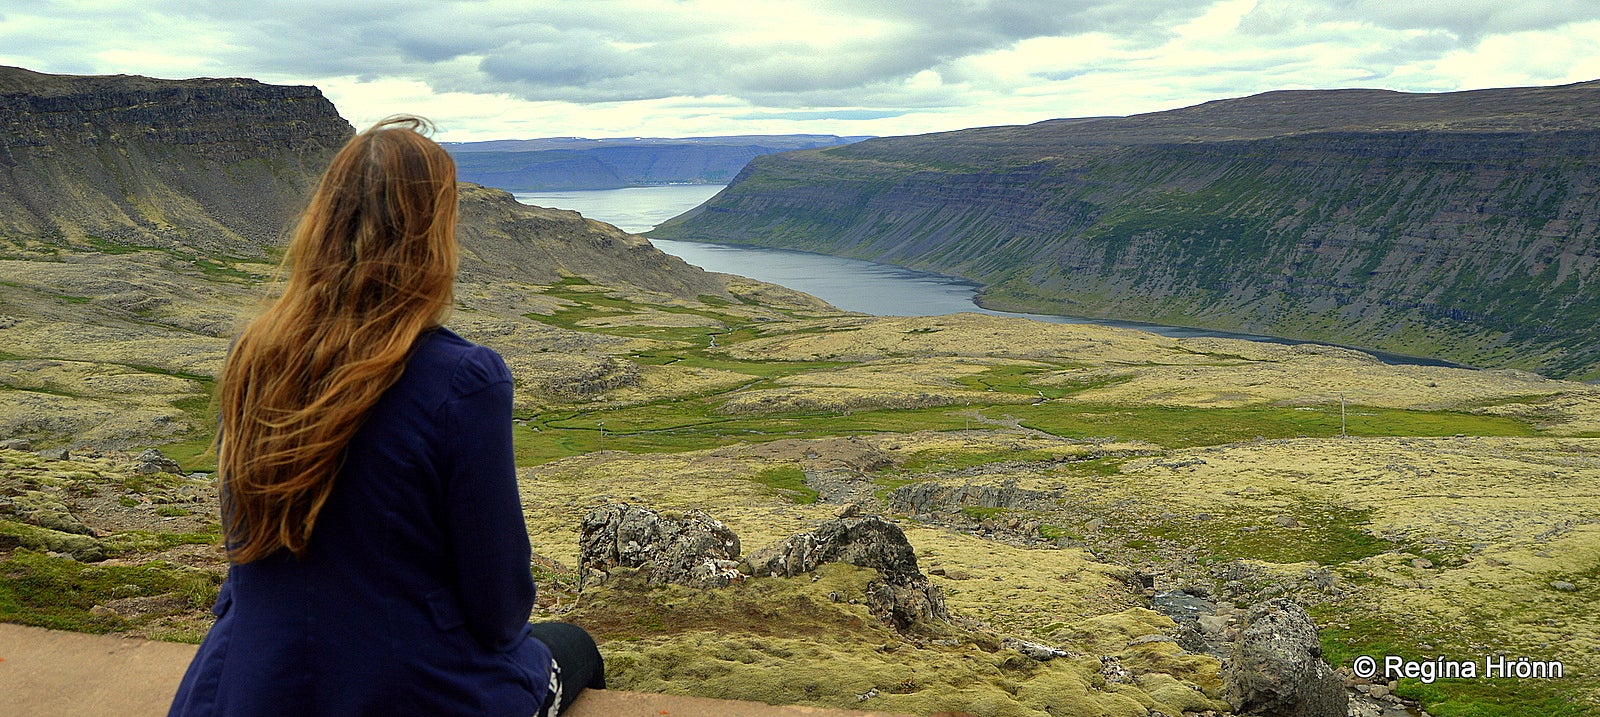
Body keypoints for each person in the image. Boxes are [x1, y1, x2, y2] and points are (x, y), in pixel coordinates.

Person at [169, 116, 603, 717]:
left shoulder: (254, 359)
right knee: (574, 647)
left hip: (250, 683)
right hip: (406, 691)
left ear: (322, 224)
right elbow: (500, 608)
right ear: (433, 235)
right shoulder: (463, 378)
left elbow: (244, 545)